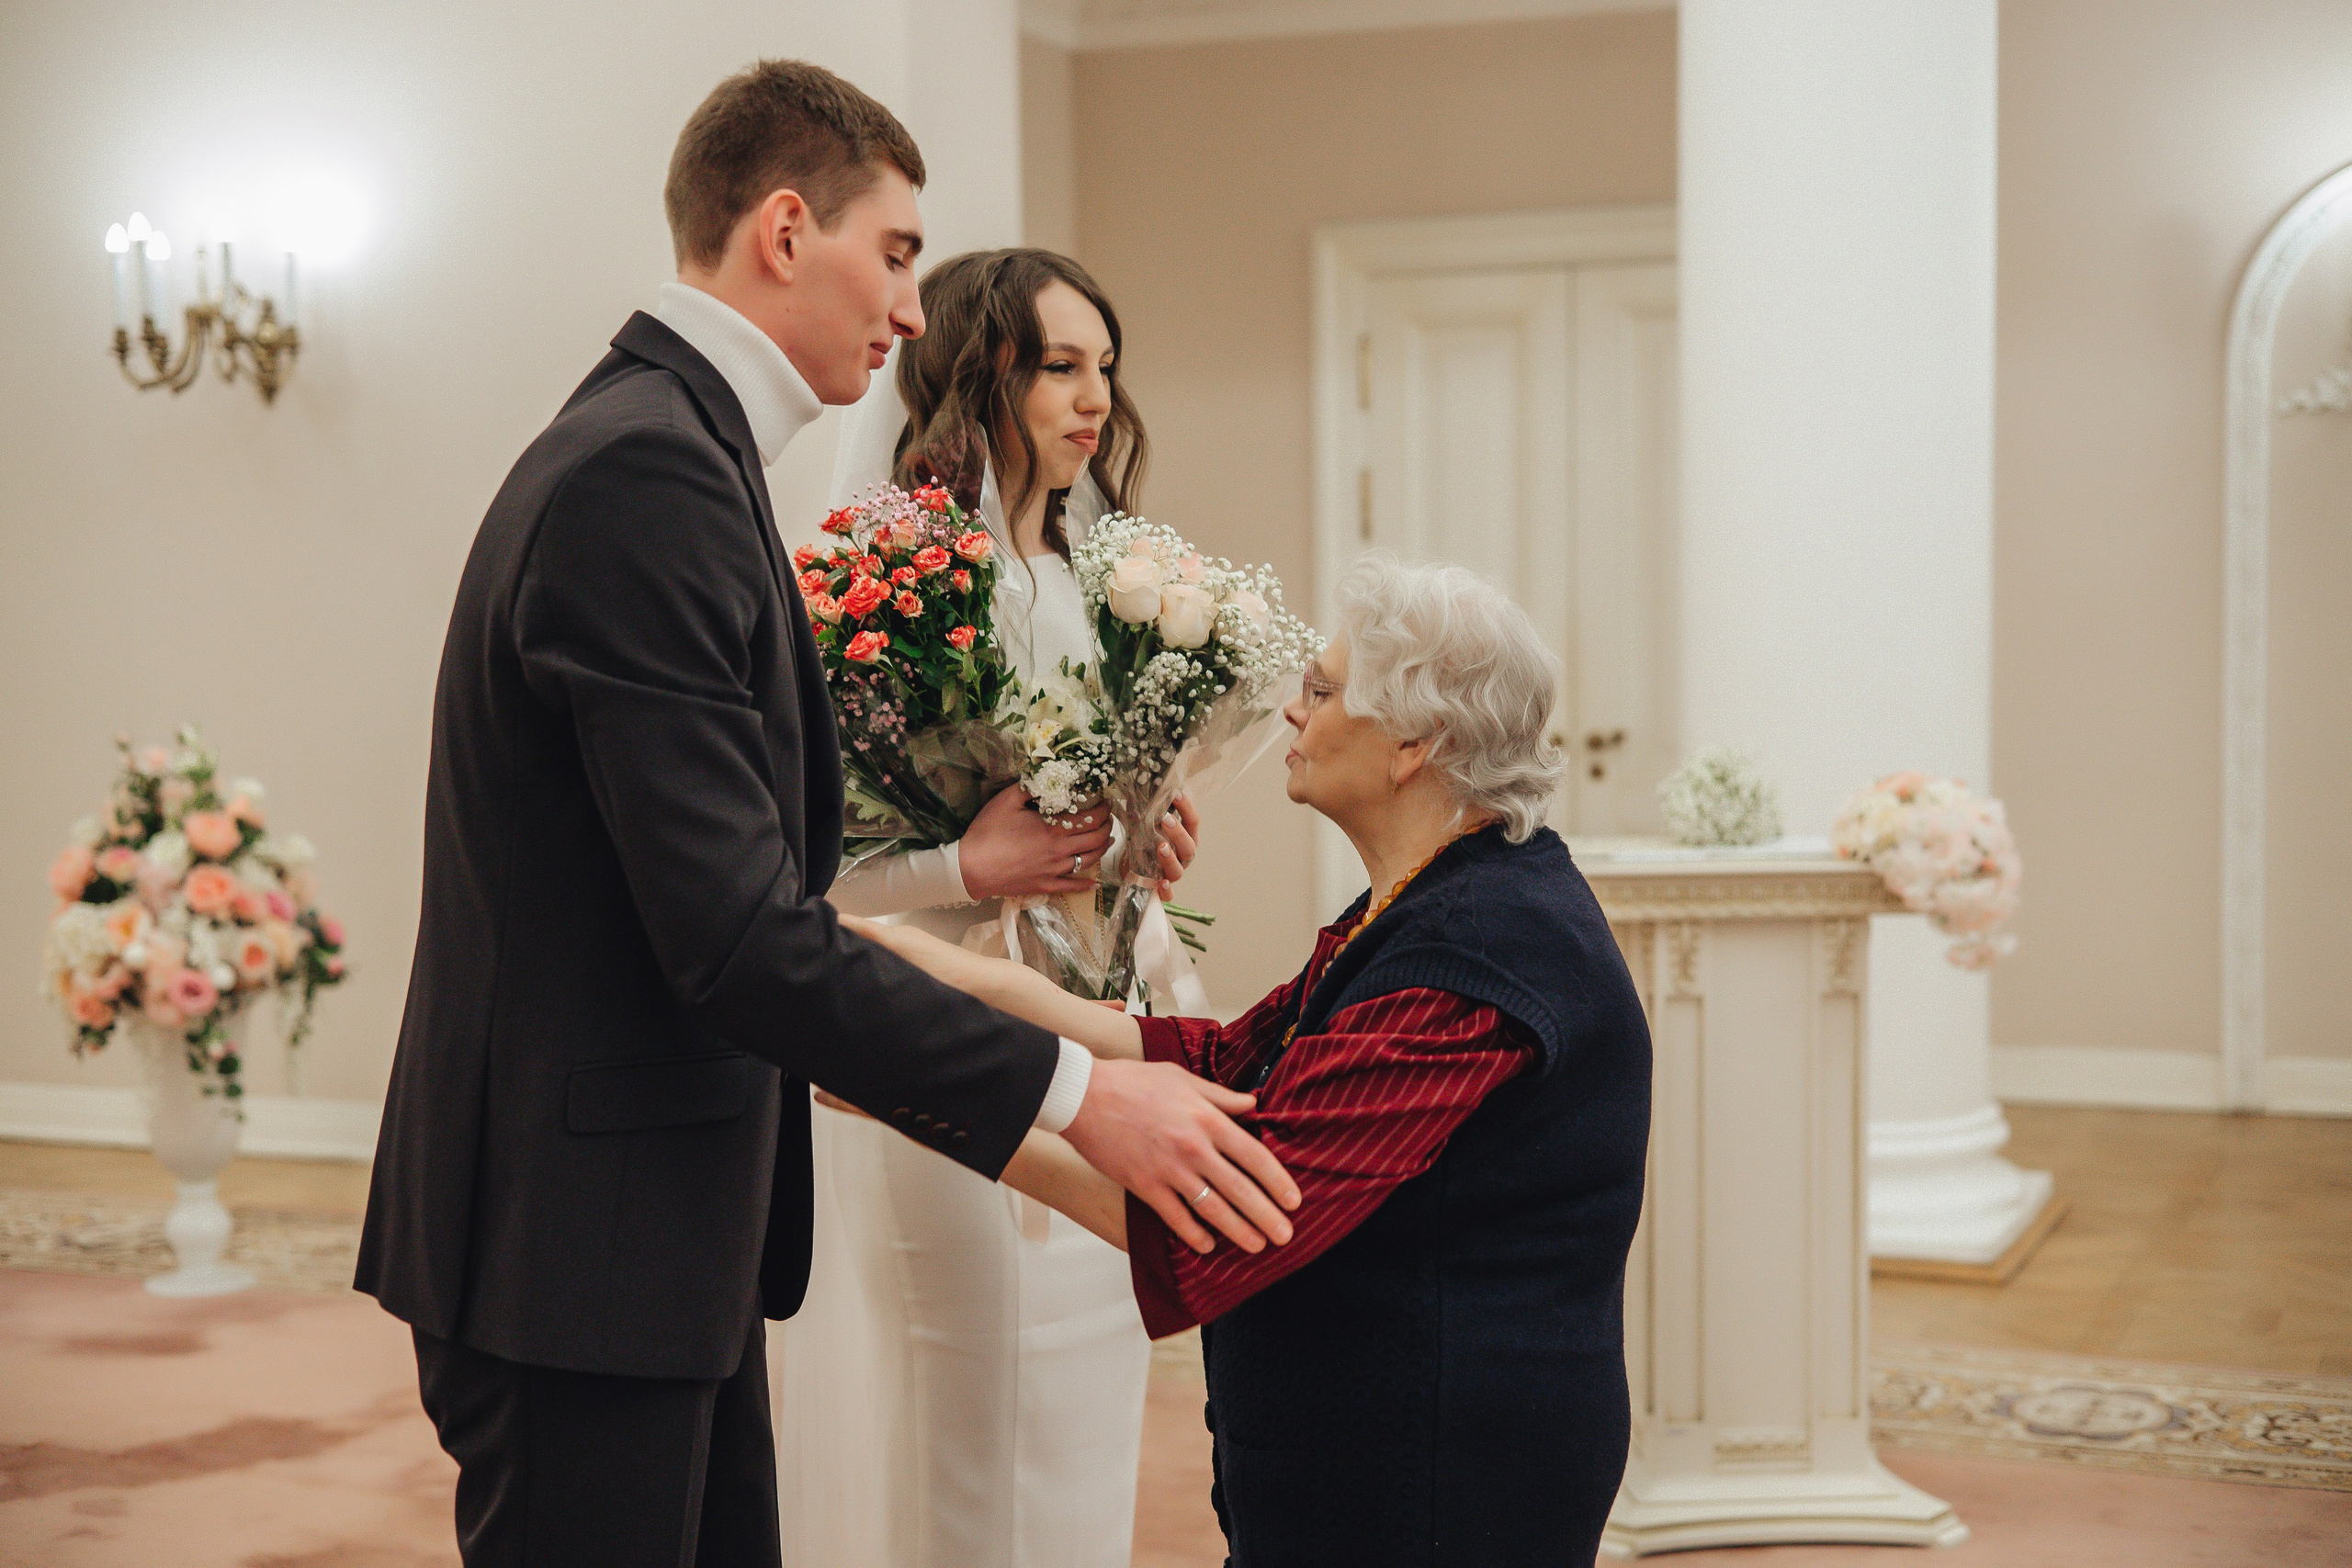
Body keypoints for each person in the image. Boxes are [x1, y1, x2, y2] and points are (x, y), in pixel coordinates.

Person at [353, 60, 1298, 1568]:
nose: (916, 311)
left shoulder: (681, 452)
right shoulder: (642, 479)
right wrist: (1077, 1094)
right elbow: (739, 933)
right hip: (579, 1238)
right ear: (786, 230)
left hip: (658, 1221)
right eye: (900, 254)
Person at [850, 553, 1653, 1567]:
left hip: (1439, 1490)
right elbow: (1225, 1060)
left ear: (1416, 742)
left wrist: (917, 1082)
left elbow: (1227, 1222)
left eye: (1320, 691)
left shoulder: (1480, 958)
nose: (1291, 715)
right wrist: (893, 963)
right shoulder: (1434, 899)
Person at [773, 249, 1183, 1566]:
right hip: (946, 1037)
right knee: (975, 1404)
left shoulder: (1092, 576)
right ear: (974, 376)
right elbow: (795, 886)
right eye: (1060, 366)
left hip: (1112, 1010)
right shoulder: (888, 592)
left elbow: (1083, 821)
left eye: (1104, 367)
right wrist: (969, 866)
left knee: (1087, 1390)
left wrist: (1144, 831)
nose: (1093, 401)